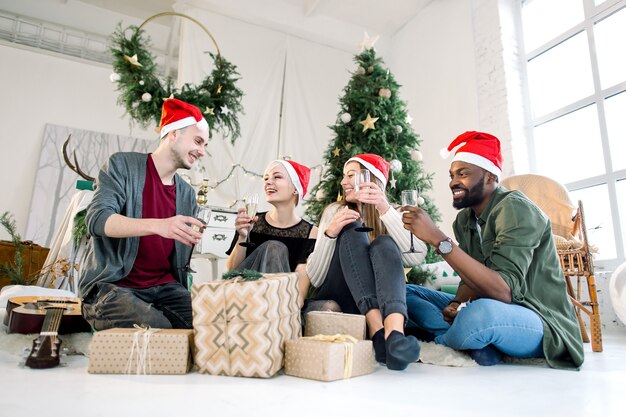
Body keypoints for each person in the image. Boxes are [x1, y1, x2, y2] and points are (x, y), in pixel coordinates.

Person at [402, 131, 585, 370]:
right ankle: (478, 343)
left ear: (489, 176)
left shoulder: (516, 209)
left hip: (537, 317)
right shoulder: (464, 220)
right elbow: (471, 278)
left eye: (463, 174)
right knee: (404, 293)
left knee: (480, 315)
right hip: (490, 304)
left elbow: (504, 291)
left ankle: (443, 341)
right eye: (452, 175)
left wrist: (438, 239)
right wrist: (457, 302)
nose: (453, 182)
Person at [78, 98, 209, 331]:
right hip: (115, 287)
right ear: (173, 134)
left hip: (166, 287)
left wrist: (235, 232)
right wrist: (159, 225)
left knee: (206, 330)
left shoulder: (187, 194)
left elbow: (190, 246)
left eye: (205, 145)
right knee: (158, 333)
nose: (202, 152)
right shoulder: (122, 165)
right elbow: (97, 220)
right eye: (198, 141)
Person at [304, 154, 426, 371]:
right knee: (353, 231)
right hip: (343, 297)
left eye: (351, 175)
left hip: (380, 303)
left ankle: (393, 335)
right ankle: (377, 328)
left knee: (385, 243)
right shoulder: (335, 211)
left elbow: (416, 256)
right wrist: (330, 234)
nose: (343, 182)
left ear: (373, 179)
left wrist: (385, 210)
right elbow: (315, 276)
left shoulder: (393, 212)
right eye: (344, 176)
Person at [225, 159, 317, 303]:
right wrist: (242, 237)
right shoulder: (251, 222)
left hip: (283, 302)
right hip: (245, 297)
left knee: (327, 305)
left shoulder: (311, 233)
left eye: (277, 177)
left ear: (295, 188)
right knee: (274, 247)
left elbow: (300, 287)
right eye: (266, 178)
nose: (268, 182)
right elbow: (231, 271)